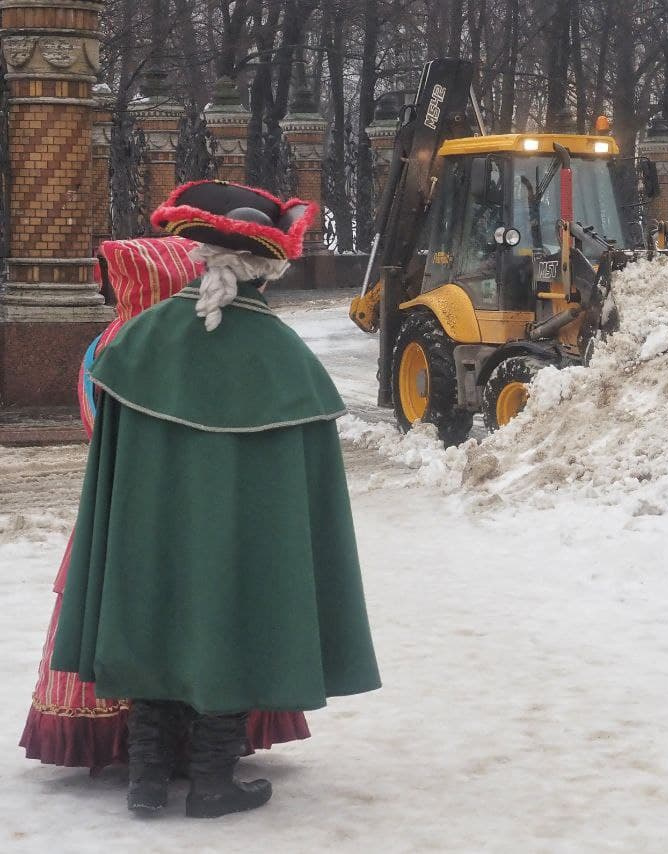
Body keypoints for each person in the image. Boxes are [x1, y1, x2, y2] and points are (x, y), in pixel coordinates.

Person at [50, 180, 381, 818]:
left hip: (147, 536)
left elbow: (108, 460)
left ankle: (146, 782)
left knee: (151, 611)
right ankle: (211, 782)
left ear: (198, 256)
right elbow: (306, 495)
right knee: (235, 617)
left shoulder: (139, 342)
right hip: (241, 548)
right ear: (266, 268)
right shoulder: (283, 360)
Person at [19, 236, 311, 773]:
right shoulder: (245, 339)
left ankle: (146, 777)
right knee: (222, 618)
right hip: (222, 527)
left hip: (132, 518)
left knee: (143, 624)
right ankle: (207, 775)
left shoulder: (127, 344)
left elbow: (99, 429)